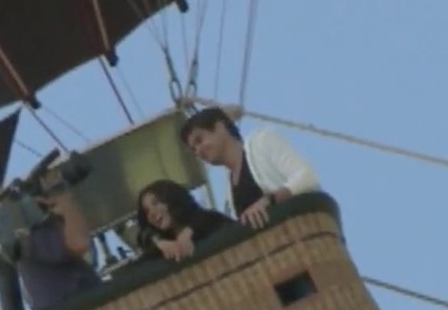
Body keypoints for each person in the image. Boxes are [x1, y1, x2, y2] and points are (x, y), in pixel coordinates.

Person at [179, 106, 320, 229]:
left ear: (220, 127)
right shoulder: (229, 187)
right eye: (194, 150)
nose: (198, 151)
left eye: (199, 140)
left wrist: (269, 200)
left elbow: (308, 177)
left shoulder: (262, 142)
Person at [13, 170, 102, 310]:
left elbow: (89, 254)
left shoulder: (56, 226)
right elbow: (79, 243)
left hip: (86, 309)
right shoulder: (33, 237)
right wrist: (63, 198)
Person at [135, 179, 237, 262]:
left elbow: (208, 219)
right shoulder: (160, 246)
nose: (152, 213)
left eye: (156, 203)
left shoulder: (210, 220)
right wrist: (158, 242)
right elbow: (143, 239)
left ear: (172, 199)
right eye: (146, 211)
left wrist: (190, 230)